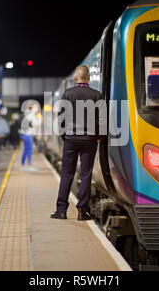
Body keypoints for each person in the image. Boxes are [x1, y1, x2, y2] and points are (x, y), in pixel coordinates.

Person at [51, 65, 102, 221]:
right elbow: (102, 119)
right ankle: (82, 211)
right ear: (89, 78)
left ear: (75, 78)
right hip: (89, 140)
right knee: (86, 175)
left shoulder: (68, 94)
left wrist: (64, 136)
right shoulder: (96, 95)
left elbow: (61, 118)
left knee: (67, 174)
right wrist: (98, 136)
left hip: (71, 139)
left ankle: (61, 210)